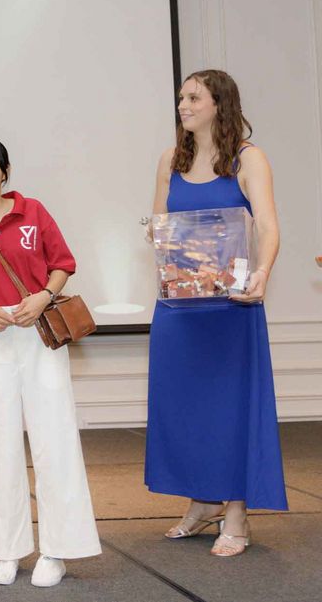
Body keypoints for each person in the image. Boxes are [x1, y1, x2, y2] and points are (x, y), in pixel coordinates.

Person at [0, 135, 100, 588]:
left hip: (39, 332)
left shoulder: (33, 212)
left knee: (54, 438)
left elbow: (63, 264)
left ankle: (57, 549)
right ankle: (6, 548)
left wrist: (44, 295)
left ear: (5, 172)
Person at [146, 69, 286, 556]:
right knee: (185, 408)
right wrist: (160, 235)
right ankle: (203, 501)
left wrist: (262, 272)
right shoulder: (170, 159)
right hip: (180, 307)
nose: (183, 105)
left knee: (230, 410)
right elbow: (159, 224)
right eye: (181, 97)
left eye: (193, 97)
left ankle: (236, 512)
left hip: (230, 309)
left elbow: (267, 225)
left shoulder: (249, 158)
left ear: (219, 104)